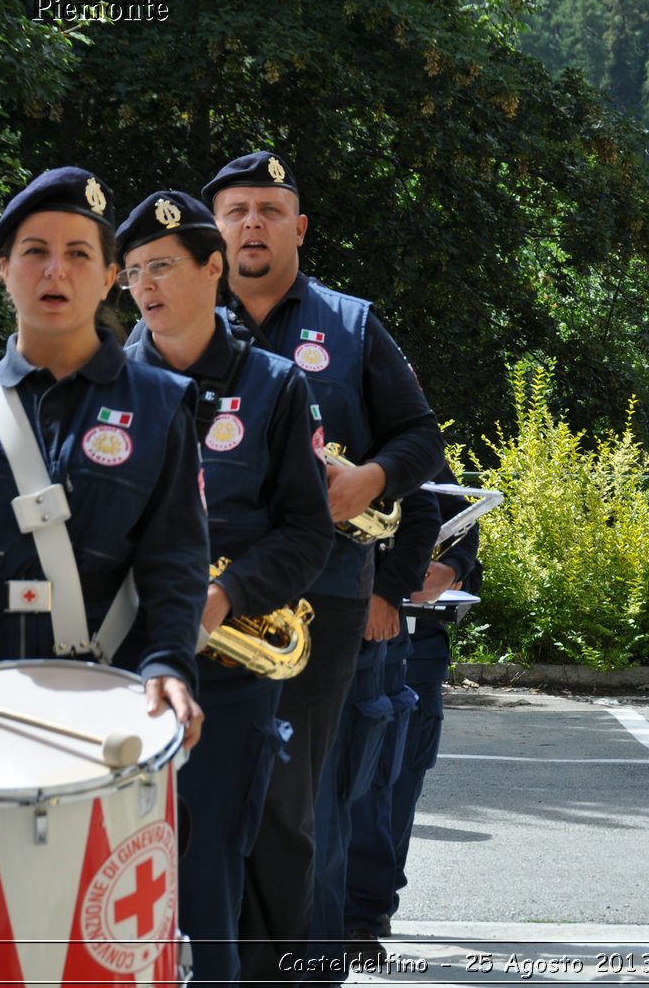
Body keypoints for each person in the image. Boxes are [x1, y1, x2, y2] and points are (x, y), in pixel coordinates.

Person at [200, 151, 443, 983]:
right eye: (235, 212)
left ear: (299, 228)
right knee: (209, 797)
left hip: (320, 601)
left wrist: (371, 483)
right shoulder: (178, 323)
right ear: (213, 231)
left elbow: (420, 440)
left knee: (296, 804)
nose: (252, 225)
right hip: (206, 601)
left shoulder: (352, 324)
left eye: (270, 210)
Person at [0, 167, 206, 745]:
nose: (55, 270)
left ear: (108, 278)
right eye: (35, 251)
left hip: (113, 710)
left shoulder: (161, 407)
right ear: (3, 269)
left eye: (78, 254)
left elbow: (174, 561)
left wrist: (171, 663)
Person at [118, 189, 334, 985]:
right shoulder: (97, 383)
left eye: (164, 267)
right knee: (111, 880)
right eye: (133, 271)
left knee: (208, 883)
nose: (145, 286)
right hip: (118, 675)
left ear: (214, 269)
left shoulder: (276, 386)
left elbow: (308, 532)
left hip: (227, 679)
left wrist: (225, 595)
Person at [317, 477, 441, 969]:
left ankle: (358, 920)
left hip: (366, 632)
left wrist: (388, 593)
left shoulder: (383, 412)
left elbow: (430, 512)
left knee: (361, 787)